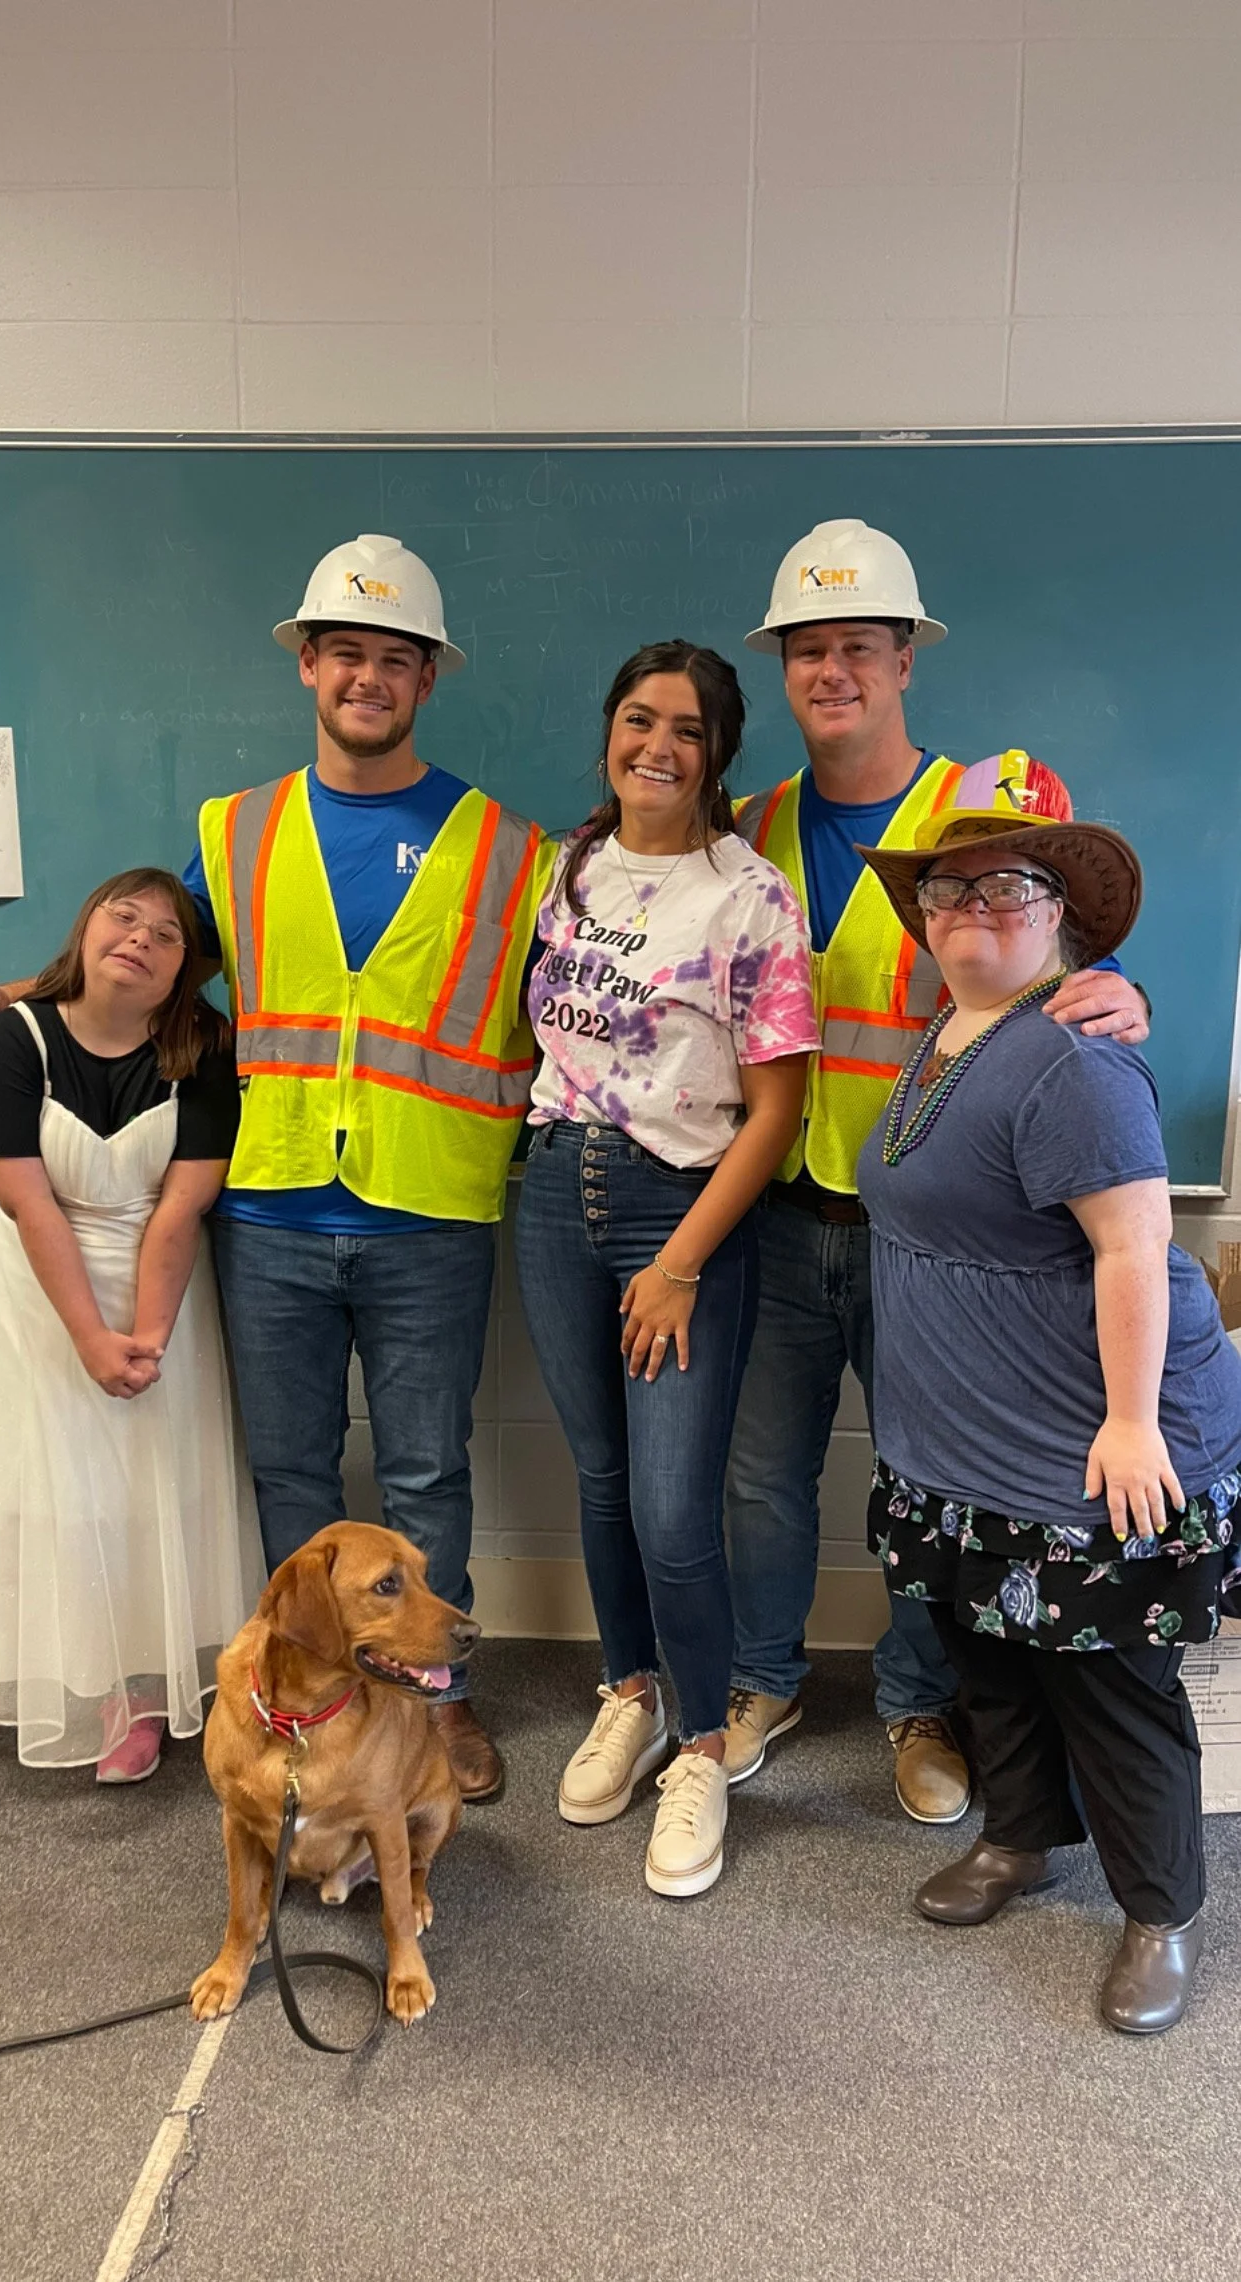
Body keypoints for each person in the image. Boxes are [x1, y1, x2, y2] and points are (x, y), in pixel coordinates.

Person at [0, 535, 554, 1804]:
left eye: (397, 659)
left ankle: (430, 1716)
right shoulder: (236, 831)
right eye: (346, 651)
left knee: (424, 1472)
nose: (368, 677)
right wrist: (15, 992)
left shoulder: (511, 846)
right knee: (286, 1472)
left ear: (429, 679)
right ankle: (306, 1706)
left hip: (429, 1209)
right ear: (307, 664)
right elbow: (140, 955)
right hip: (269, 1208)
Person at [721, 516, 1153, 1822]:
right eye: (808, 650)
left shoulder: (979, 812)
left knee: (928, 1480)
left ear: (907, 657)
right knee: (763, 1469)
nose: (832, 670)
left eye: (859, 645)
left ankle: (915, 1700)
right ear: (784, 670)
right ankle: (760, 1680)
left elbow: (1061, 941)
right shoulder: (748, 826)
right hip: (783, 1210)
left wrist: (1118, 988)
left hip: (937, 1235)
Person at [854, 809, 1241, 2032]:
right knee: (995, 1661)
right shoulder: (952, 1030)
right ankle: (1023, 1838)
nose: (970, 905)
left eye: (1003, 885)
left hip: (1082, 1442)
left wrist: (1134, 1424)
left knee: (1111, 1686)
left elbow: (1134, 1244)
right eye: (946, 888)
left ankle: (1161, 1911)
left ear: (1060, 911)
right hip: (962, 1442)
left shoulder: (1075, 1055)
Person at [515, 641, 818, 1898]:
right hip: (549, 1190)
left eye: (686, 730)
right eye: (637, 719)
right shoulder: (568, 869)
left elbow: (775, 1110)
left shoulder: (748, 896)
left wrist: (684, 1261)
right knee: (598, 1476)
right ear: (608, 733)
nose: (657, 746)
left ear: (717, 753)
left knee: (674, 1506)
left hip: (677, 1212)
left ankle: (700, 1743)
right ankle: (628, 1688)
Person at [0, 871, 263, 1779]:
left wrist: (145, 1338)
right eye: (121, 916)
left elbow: (181, 1207)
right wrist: (89, 1336)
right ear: (85, 927)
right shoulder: (13, 1041)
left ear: (186, 970)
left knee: (138, 1493)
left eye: (166, 934)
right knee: (22, 1488)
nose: (138, 938)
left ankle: (131, 1686)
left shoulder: (205, 1047)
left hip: (158, 1293)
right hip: (34, 1298)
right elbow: (28, 1204)